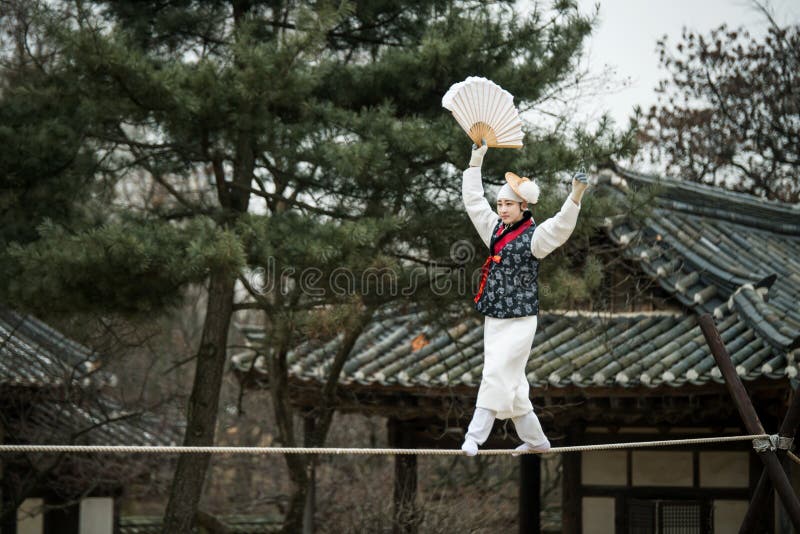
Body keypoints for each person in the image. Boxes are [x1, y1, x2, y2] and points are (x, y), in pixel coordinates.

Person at [461, 140, 589, 456]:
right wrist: (476, 161)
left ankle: (474, 436)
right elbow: (474, 201)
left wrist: (575, 196)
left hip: (520, 321)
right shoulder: (493, 230)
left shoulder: (534, 238)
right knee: (514, 387)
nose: (501, 209)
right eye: (500, 204)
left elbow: (560, 228)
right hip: (495, 318)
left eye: (508, 204)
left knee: (494, 373)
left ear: (522, 207)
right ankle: (537, 441)